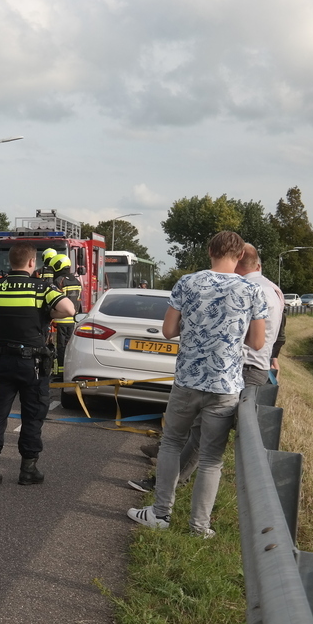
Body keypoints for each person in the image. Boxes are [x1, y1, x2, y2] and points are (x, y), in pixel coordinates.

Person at [127, 231, 267, 539]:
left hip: (187, 381)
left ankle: (160, 514)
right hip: (225, 386)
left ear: (209, 252)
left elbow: (167, 331)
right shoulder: (251, 290)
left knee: (172, 444)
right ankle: (199, 527)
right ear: (240, 256)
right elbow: (258, 342)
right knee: (211, 460)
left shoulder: (187, 283)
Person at [0, 243, 74, 485]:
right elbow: (69, 308)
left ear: (10, 262)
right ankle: (28, 470)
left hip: (2, 361)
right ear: (33, 263)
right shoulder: (42, 288)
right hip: (33, 364)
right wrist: (48, 314)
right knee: (32, 416)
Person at [235, 244, 284, 387]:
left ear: (237, 259)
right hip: (259, 365)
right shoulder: (273, 288)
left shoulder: (245, 288)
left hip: (245, 367)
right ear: (257, 264)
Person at [49, 254, 82, 374]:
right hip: (73, 320)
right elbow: (79, 300)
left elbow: (54, 300)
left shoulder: (59, 281)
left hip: (60, 320)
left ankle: (59, 372)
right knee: (69, 346)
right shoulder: (77, 281)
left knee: (60, 347)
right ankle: (67, 370)